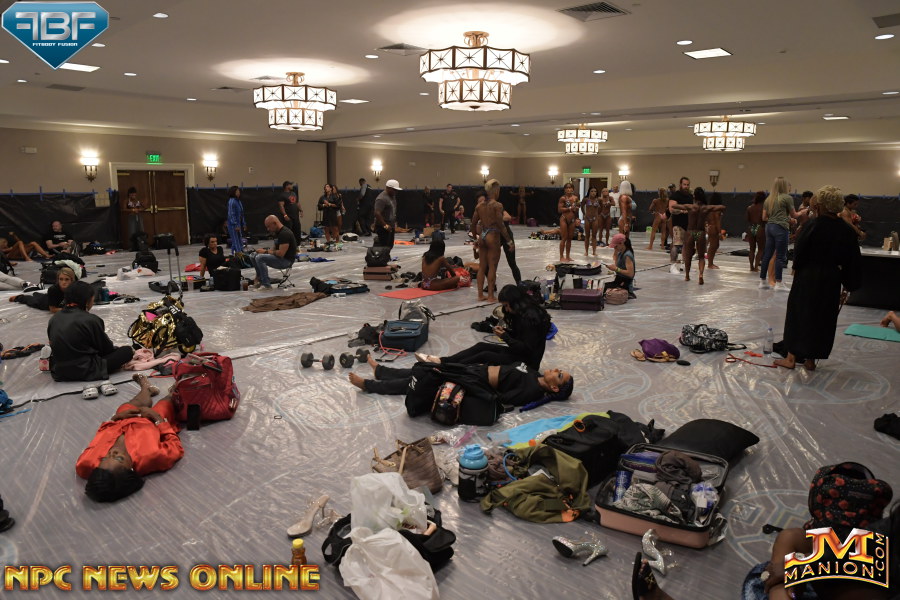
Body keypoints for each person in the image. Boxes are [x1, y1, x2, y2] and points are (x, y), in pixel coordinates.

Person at [774, 185, 862, 370]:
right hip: (831, 278)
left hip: (808, 276)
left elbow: (800, 252)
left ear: (820, 205)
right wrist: (848, 285)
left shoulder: (812, 226)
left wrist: (796, 270)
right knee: (823, 317)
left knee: (799, 314)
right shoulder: (847, 230)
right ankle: (811, 360)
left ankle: (791, 358)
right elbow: (852, 259)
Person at [76, 374, 183, 503]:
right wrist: (159, 420)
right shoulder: (151, 456)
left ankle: (146, 388)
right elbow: (175, 447)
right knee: (165, 404)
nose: (112, 453)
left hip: (123, 420)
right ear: (131, 470)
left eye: (103, 458)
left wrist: (116, 418)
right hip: (152, 422)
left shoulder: (86, 463)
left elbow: (100, 436)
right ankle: (174, 390)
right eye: (119, 458)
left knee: (130, 405)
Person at [349, 353, 574, 408]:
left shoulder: (532, 391)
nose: (556, 369)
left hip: (473, 380)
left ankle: (369, 385)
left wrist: (473, 388)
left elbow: (502, 398)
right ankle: (382, 371)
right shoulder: (534, 374)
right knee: (426, 369)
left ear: (554, 387)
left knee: (421, 381)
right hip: (475, 371)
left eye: (559, 375)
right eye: (560, 370)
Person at [418, 284, 548, 370]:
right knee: (481, 346)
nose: (507, 310)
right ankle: (442, 361)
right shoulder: (522, 313)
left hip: (527, 363)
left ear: (516, 302)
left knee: (485, 355)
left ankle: (444, 367)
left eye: (507, 306)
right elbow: (520, 337)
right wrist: (506, 332)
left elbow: (526, 349)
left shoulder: (530, 318)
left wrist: (505, 336)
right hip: (520, 354)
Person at [47, 280, 134, 382]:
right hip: (85, 369)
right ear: (87, 301)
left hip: (59, 371)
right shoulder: (91, 319)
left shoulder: (54, 319)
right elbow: (106, 349)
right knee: (127, 351)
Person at [759, 177, 809, 291]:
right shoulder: (787, 198)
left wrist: (780, 219)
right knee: (780, 256)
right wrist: (803, 212)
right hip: (780, 229)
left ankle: (762, 281)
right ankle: (779, 283)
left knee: (767, 255)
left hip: (769, 227)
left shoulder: (769, 199)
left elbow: (764, 217)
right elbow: (795, 215)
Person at [670, 187, 725, 285]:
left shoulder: (690, 207)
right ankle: (701, 275)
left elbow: (674, 206)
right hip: (700, 233)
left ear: (694, 196)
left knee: (688, 256)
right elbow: (722, 207)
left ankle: (687, 276)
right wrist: (712, 207)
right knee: (701, 257)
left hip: (690, 232)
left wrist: (681, 207)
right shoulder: (706, 208)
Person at [471, 190, 513, 303]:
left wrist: (475, 239)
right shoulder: (497, 205)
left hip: (482, 235)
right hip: (492, 234)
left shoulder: (478, 207)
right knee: (492, 267)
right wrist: (509, 241)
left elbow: (473, 224)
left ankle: (480, 295)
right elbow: (501, 225)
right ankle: (490, 296)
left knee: (482, 267)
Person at [250, 215, 297, 290]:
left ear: (275, 223)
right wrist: (264, 252)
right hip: (280, 258)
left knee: (260, 258)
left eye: (269, 226)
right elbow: (274, 249)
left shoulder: (285, 233)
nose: (268, 229)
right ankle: (259, 280)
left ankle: (266, 285)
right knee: (253, 255)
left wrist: (265, 252)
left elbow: (281, 254)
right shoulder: (277, 232)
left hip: (286, 261)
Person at [9, 266, 74, 311]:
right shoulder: (53, 290)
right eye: (61, 279)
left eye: (67, 279)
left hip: (55, 300)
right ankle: (19, 297)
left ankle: (36, 294)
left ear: (71, 280)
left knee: (40, 295)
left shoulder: (75, 288)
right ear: (58, 280)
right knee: (32, 301)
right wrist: (68, 310)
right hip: (44, 303)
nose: (63, 282)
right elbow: (52, 309)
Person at [669, 177, 692, 268]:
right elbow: (671, 209)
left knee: (687, 246)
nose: (686, 186)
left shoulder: (690, 196)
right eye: (684, 184)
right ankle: (672, 266)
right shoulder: (675, 195)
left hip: (688, 224)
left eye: (687, 185)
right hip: (678, 224)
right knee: (676, 245)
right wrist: (682, 211)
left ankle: (685, 266)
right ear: (680, 185)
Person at [604, 233, 636, 298]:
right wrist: (615, 251)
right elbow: (616, 262)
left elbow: (630, 274)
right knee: (601, 287)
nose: (615, 248)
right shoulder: (621, 252)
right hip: (619, 280)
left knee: (603, 289)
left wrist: (616, 269)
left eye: (616, 246)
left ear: (621, 243)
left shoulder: (627, 255)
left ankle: (629, 293)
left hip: (625, 284)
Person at [374, 179, 400, 250]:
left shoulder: (392, 196)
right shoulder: (381, 198)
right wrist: (385, 225)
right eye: (394, 190)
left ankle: (386, 255)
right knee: (383, 246)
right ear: (388, 188)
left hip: (391, 225)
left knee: (389, 245)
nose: (396, 191)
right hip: (383, 226)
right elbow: (377, 213)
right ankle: (382, 256)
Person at [746, 191, 767, 272]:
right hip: (760, 227)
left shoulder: (749, 208)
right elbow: (764, 219)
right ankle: (756, 267)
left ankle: (751, 267)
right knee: (760, 249)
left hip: (751, 227)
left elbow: (747, 219)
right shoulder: (764, 208)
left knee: (752, 249)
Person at [558, 183, 579, 263]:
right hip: (564, 219)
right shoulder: (562, 198)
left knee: (570, 238)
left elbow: (578, 207)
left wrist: (576, 208)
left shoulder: (576, 198)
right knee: (564, 238)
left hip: (572, 220)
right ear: (564, 189)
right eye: (567, 188)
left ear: (573, 189)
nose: (568, 189)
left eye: (570, 188)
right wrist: (570, 208)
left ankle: (568, 256)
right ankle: (561, 256)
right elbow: (559, 210)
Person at [705, 191, 726, 269]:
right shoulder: (717, 209)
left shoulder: (709, 209)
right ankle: (710, 264)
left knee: (715, 245)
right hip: (714, 228)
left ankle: (710, 263)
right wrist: (719, 232)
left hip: (710, 227)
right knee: (713, 246)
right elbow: (717, 221)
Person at [226, 186, 246, 254]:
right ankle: (238, 254)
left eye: (239, 191)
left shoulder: (238, 201)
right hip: (232, 225)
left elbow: (241, 213)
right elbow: (231, 214)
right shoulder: (231, 201)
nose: (239, 193)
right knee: (235, 241)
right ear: (233, 192)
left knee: (239, 240)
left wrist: (244, 223)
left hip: (238, 224)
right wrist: (236, 225)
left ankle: (240, 253)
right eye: (237, 191)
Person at [582, 186, 601, 256]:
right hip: (587, 218)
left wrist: (598, 214)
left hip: (595, 219)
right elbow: (582, 206)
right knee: (587, 236)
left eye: (595, 191)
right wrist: (584, 214)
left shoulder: (599, 199)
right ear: (589, 192)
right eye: (592, 191)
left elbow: (601, 207)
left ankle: (594, 251)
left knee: (594, 236)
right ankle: (586, 251)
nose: (593, 193)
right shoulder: (586, 199)